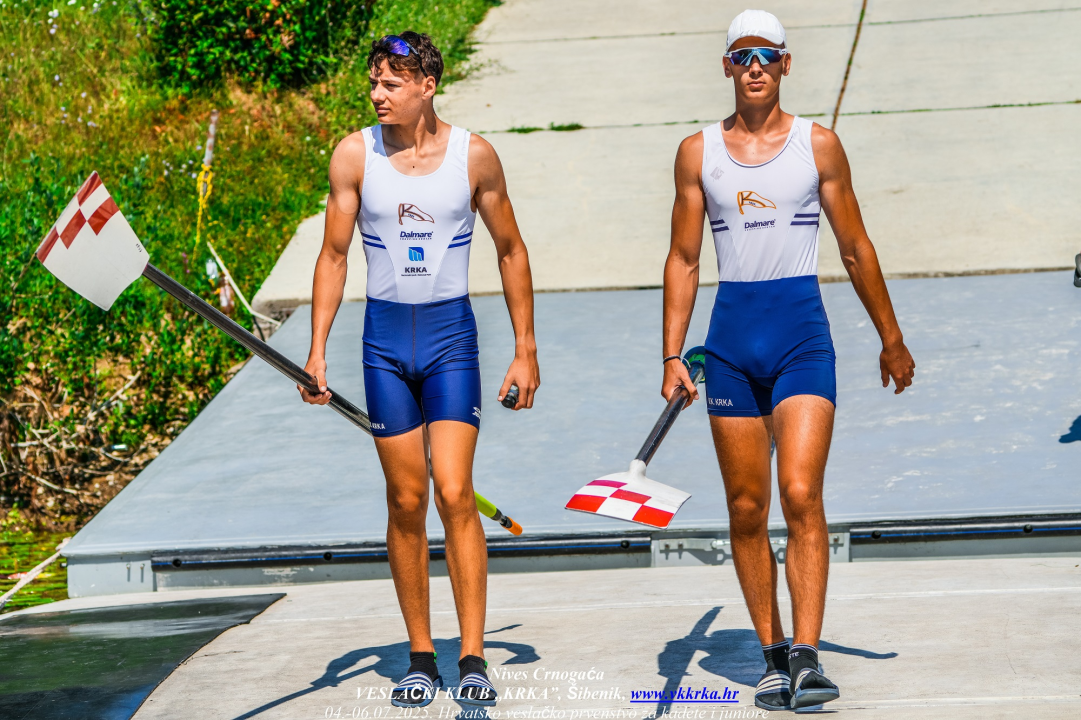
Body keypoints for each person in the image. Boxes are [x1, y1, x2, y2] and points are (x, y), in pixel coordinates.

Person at [661, 9, 915, 712]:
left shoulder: (817, 145)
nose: (754, 67)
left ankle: (807, 655)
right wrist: (671, 353)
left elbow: (855, 248)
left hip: (802, 336)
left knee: (800, 493)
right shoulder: (697, 152)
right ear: (725, 66)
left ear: (784, 64)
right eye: (741, 55)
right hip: (731, 345)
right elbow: (683, 259)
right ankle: (771, 655)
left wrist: (889, 339)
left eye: (766, 56)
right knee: (747, 507)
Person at [298, 31, 540, 708]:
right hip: (383, 345)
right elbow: (334, 256)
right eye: (373, 83)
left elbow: (512, 251)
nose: (377, 94)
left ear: (427, 85)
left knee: (455, 492)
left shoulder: (473, 157)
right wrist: (317, 349)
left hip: (449, 342)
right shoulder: (354, 154)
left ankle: (471, 655)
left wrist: (525, 347)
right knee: (405, 501)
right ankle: (419, 655)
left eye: (391, 83)